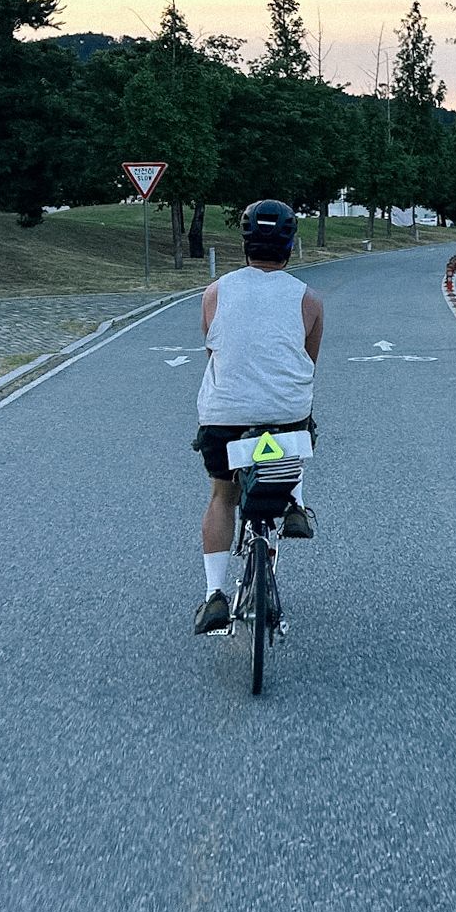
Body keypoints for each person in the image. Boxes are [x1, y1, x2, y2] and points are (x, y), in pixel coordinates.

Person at [192, 199, 324, 635]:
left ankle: (214, 595)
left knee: (222, 497)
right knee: (297, 417)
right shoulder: (308, 299)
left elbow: (217, 353)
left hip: (224, 417)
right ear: (290, 244)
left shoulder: (215, 293)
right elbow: (307, 365)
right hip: (285, 417)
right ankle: (296, 505)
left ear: (244, 243)